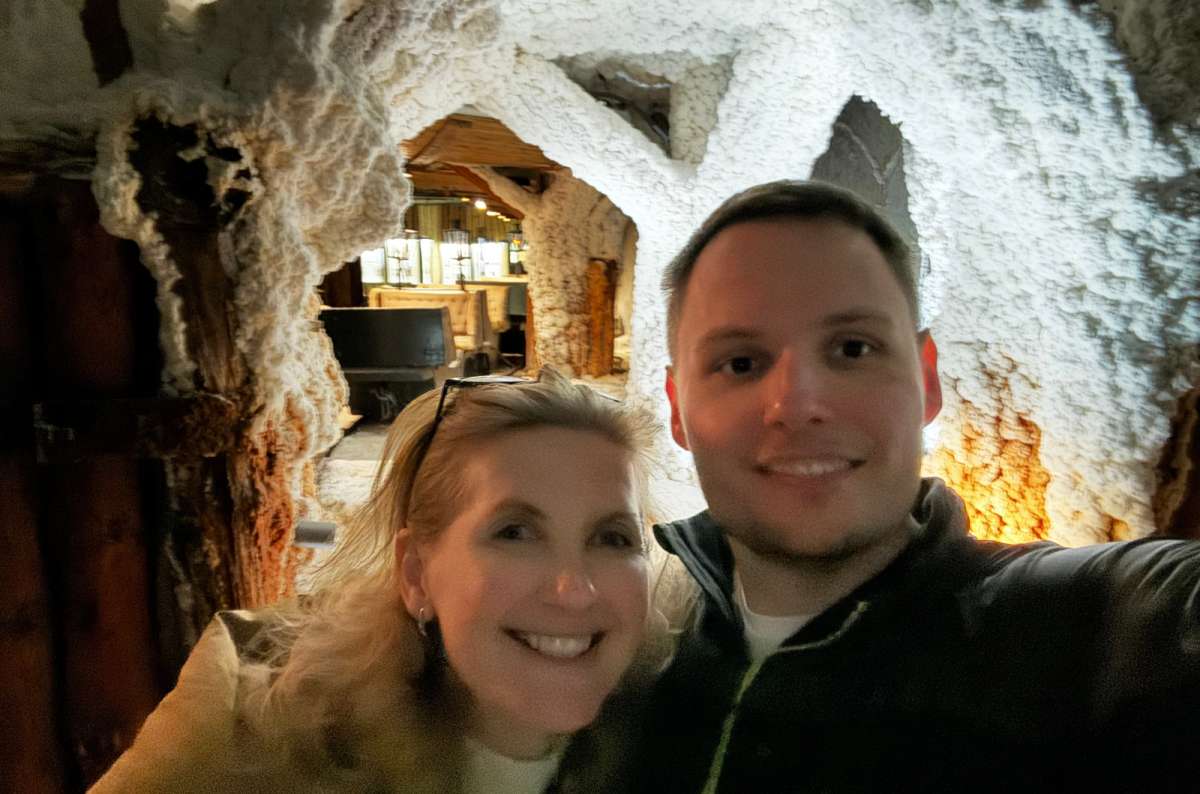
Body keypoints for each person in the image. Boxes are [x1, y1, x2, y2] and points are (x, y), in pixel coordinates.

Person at [633, 180, 1200, 793]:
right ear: (677, 409)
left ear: (927, 381)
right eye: (740, 362)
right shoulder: (628, 648)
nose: (795, 405)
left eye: (853, 349)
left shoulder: (1080, 631)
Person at [91, 369, 661, 794]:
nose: (574, 590)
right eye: (515, 533)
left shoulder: (690, 732)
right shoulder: (247, 746)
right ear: (416, 575)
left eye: (613, 538)